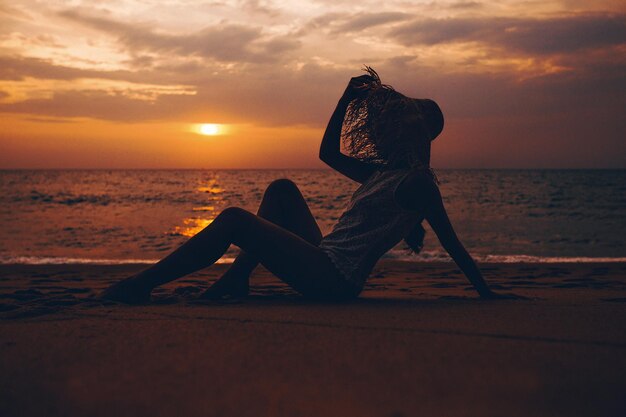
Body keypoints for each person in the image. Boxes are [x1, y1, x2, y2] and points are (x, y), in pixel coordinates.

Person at [101, 67, 520, 304]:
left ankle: (144, 285)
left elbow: (454, 245)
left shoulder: (418, 184)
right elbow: (327, 155)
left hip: (335, 281)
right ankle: (238, 278)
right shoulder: (384, 175)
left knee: (234, 219)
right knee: (282, 188)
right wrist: (343, 100)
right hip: (323, 257)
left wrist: (488, 293)